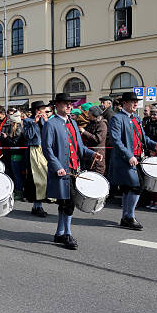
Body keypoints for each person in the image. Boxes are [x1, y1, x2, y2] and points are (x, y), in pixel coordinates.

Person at [42, 93, 101, 250]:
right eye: (65, 103)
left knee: (66, 203)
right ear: (57, 105)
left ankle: (60, 233)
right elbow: (47, 149)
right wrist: (57, 166)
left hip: (75, 169)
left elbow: (79, 147)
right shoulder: (51, 124)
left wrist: (92, 153)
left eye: (70, 103)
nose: (69, 106)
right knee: (67, 203)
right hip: (62, 171)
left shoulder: (73, 124)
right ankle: (66, 233)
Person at [109, 92, 157, 230]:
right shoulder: (117, 118)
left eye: (136, 101)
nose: (135, 104)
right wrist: (129, 156)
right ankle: (129, 216)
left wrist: (154, 144)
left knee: (129, 188)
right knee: (136, 187)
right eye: (133, 101)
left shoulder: (137, 118)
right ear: (125, 103)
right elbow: (116, 141)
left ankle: (126, 217)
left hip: (138, 158)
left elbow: (142, 137)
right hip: (126, 160)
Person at [23, 101, 49, 217]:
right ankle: (37, 205)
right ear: (37, 110)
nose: (44, 111)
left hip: (44, 150)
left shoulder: (46, 121)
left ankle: (38, 205)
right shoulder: (28, 121)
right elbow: (28, 136)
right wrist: (35, 123)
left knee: (45, 178)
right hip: (34, 150)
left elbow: (49, 134)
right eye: (42, 109)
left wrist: (46, 122)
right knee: (36, 179)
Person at [80, 105, 107, 174]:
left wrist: (84, 132)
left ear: (94, 114)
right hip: (89, 155)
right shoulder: (90, 123)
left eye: (89, 113)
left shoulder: (102, 125)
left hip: (97, 157)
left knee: (96, 176)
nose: (88, 115)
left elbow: (98, 139)